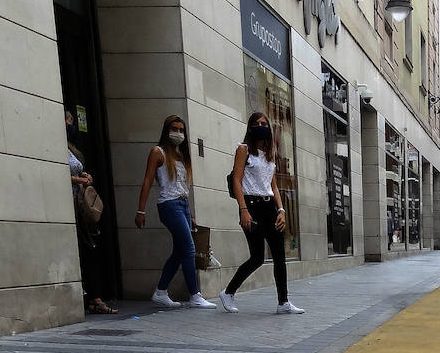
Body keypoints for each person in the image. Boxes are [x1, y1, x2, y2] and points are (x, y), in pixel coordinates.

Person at [218, 111, 304, 315]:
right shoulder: (244, 150)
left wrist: (281, 210)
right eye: (256, 123)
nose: (260, 126)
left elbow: (273, 186)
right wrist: (243, 210)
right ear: (250, 127)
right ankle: (228, 292)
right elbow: (237, 180)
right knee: (257, 257)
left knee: (279, 256)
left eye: (264, 123)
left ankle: (283, 302)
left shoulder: (270, 154)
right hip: (251, 205)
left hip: (270, 207)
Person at [133, 114, 215, 309]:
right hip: (169, 205)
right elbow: (147, 181)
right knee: (188, 248)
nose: (178, 133)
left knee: (180, 251)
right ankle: (195, 295)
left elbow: (183, 187)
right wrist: (140, 210)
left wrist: (191, 213)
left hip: (182, 205)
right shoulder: (158, 152)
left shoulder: (181, 154)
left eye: (181, 130)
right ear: (166, 130)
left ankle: (161, 291)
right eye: (174, 129)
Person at [66, 110, 115, 314]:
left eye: (71, 121)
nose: (70, 125)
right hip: (69, 204)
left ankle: (94, 297)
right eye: (67, 120)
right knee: (85, 248)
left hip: (80, 205)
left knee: (90, 248)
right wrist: (79, 180)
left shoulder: (71, 149)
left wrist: (84, 176)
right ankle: (91, 296)